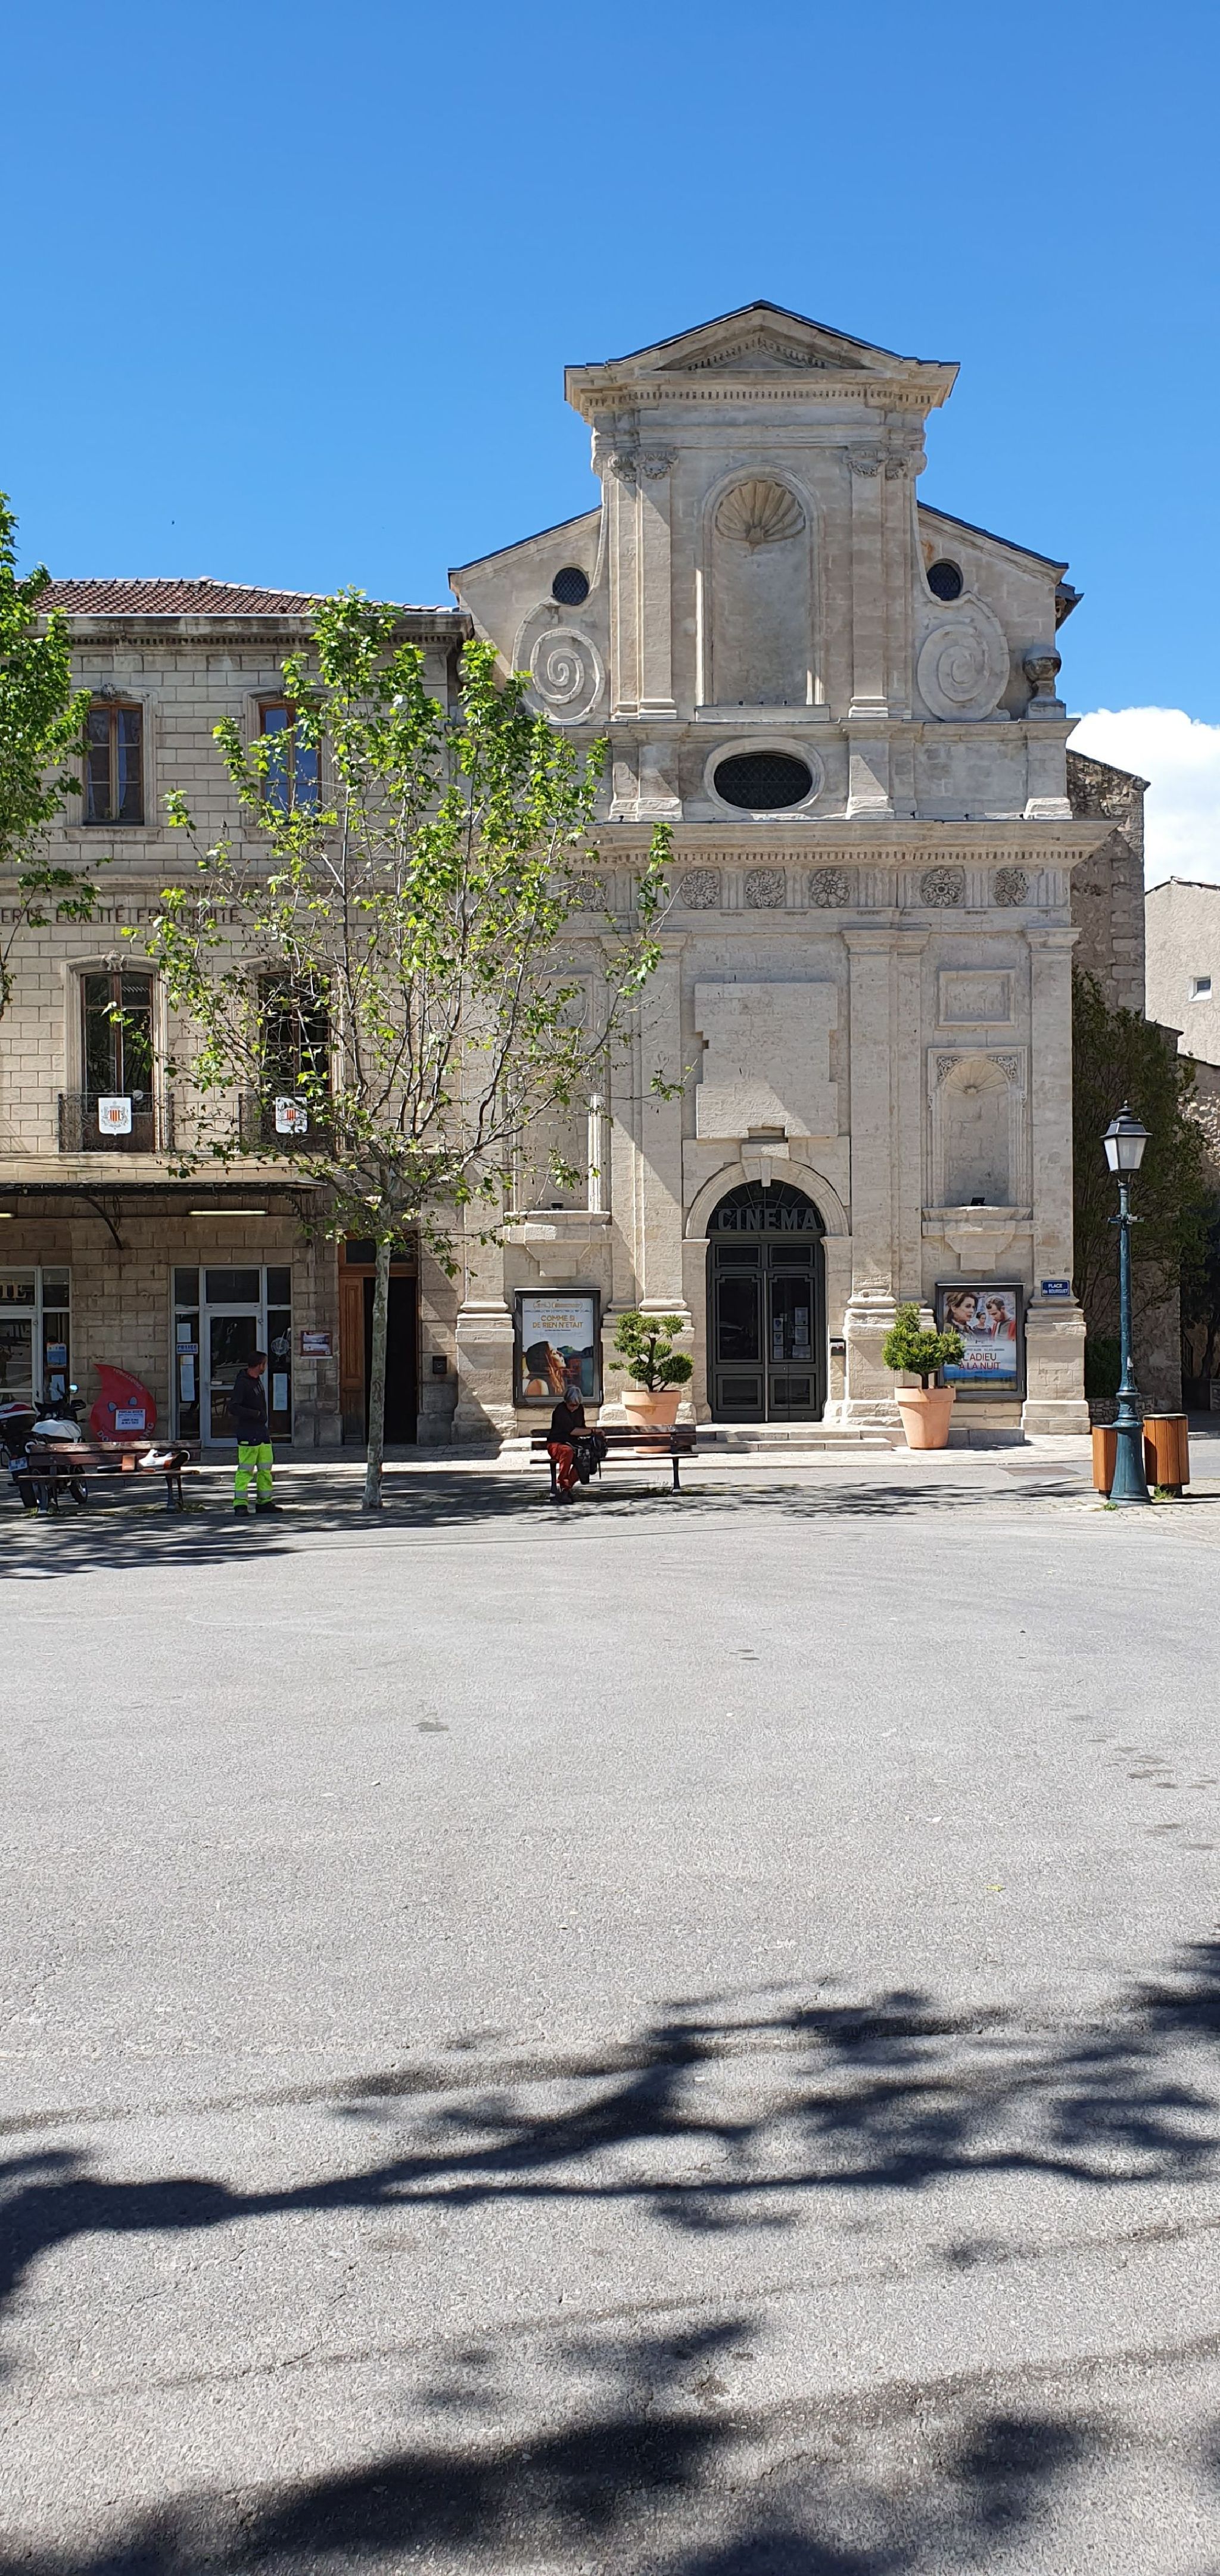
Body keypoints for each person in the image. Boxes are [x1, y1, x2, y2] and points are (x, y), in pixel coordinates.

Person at [230, 1351, 276, 1515]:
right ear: (259, 1365)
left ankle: (265, 1502)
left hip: (262, 1433)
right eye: (264, 1364)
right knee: (245, 1471)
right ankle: (240, 1505)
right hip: (248, 1434)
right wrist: (254, 1414)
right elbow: (233, 1407)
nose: (265, 1367)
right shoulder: (243, 1383)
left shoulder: (257, 1381)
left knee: (265, 1470)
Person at [547, 1386, 587, 1501]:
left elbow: (582, 1428)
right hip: (557, 1443)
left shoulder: (580, 1410)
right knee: (567, 1451)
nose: (574, 1408)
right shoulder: (561, 1410)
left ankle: (566, 1489)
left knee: (585, 1457)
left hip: (573, 1444)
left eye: (576, 1405)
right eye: (571, 1405)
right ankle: (563, 1485)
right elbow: (572, 1431)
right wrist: (593, 1431)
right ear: (566, 1402)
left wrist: (592, 1434)